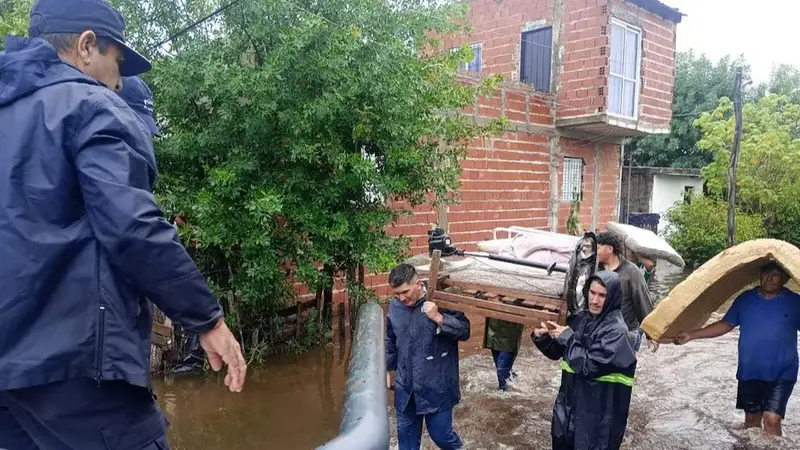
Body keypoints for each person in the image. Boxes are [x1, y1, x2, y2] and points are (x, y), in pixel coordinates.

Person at [0, 1, 246, 449]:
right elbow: (132, 225)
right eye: (117, 62)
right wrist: (206, 319)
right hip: (76, 370)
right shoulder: (91, 105)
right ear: (87, 45)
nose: (119, 82)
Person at [674, 262, 800, 437]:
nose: (769, 278)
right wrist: (692, 335)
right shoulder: (745, 299)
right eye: (766, 273)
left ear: (786, 279)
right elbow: (726, 324)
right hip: (750, 370)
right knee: (751, 422)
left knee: (772, 419)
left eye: (775, 274)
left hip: (783, 371)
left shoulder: (795, 302)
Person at [533, 271, 637, 450]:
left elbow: (589, 365)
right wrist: (541, 338)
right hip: (568, 409)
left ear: (612, 297)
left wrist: (568, 338)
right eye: (592, 293)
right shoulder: (580, 319)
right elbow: (557, 352)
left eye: (602, 295)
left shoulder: (617, 332)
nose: (595, 300)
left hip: (598, 420)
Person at [386, 264, 470, 450]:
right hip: (406, 386)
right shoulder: (395, 306)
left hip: (436, 384)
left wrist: (439, 318)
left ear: (418, 284)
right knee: (406, 444)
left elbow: (465, 331)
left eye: (405, 292)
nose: (401, 298)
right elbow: (391, 339)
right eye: (396, 294)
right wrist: (388, 369)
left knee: (442, 437)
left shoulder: (441, 299)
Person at [596, 231, 659, 352]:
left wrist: (651, 334)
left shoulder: (631, 272)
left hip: (626, 332)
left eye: (598, 248)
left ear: (610, 249)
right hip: (601, 331)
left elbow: (642, 301)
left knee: (623, 368)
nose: (595, 252)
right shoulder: (594, 269)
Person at [483, 318, 523, 391]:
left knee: (501, 370)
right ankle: (511, 379)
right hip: (493, 329)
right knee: (500, 367)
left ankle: (504, 393)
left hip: (510, 331)